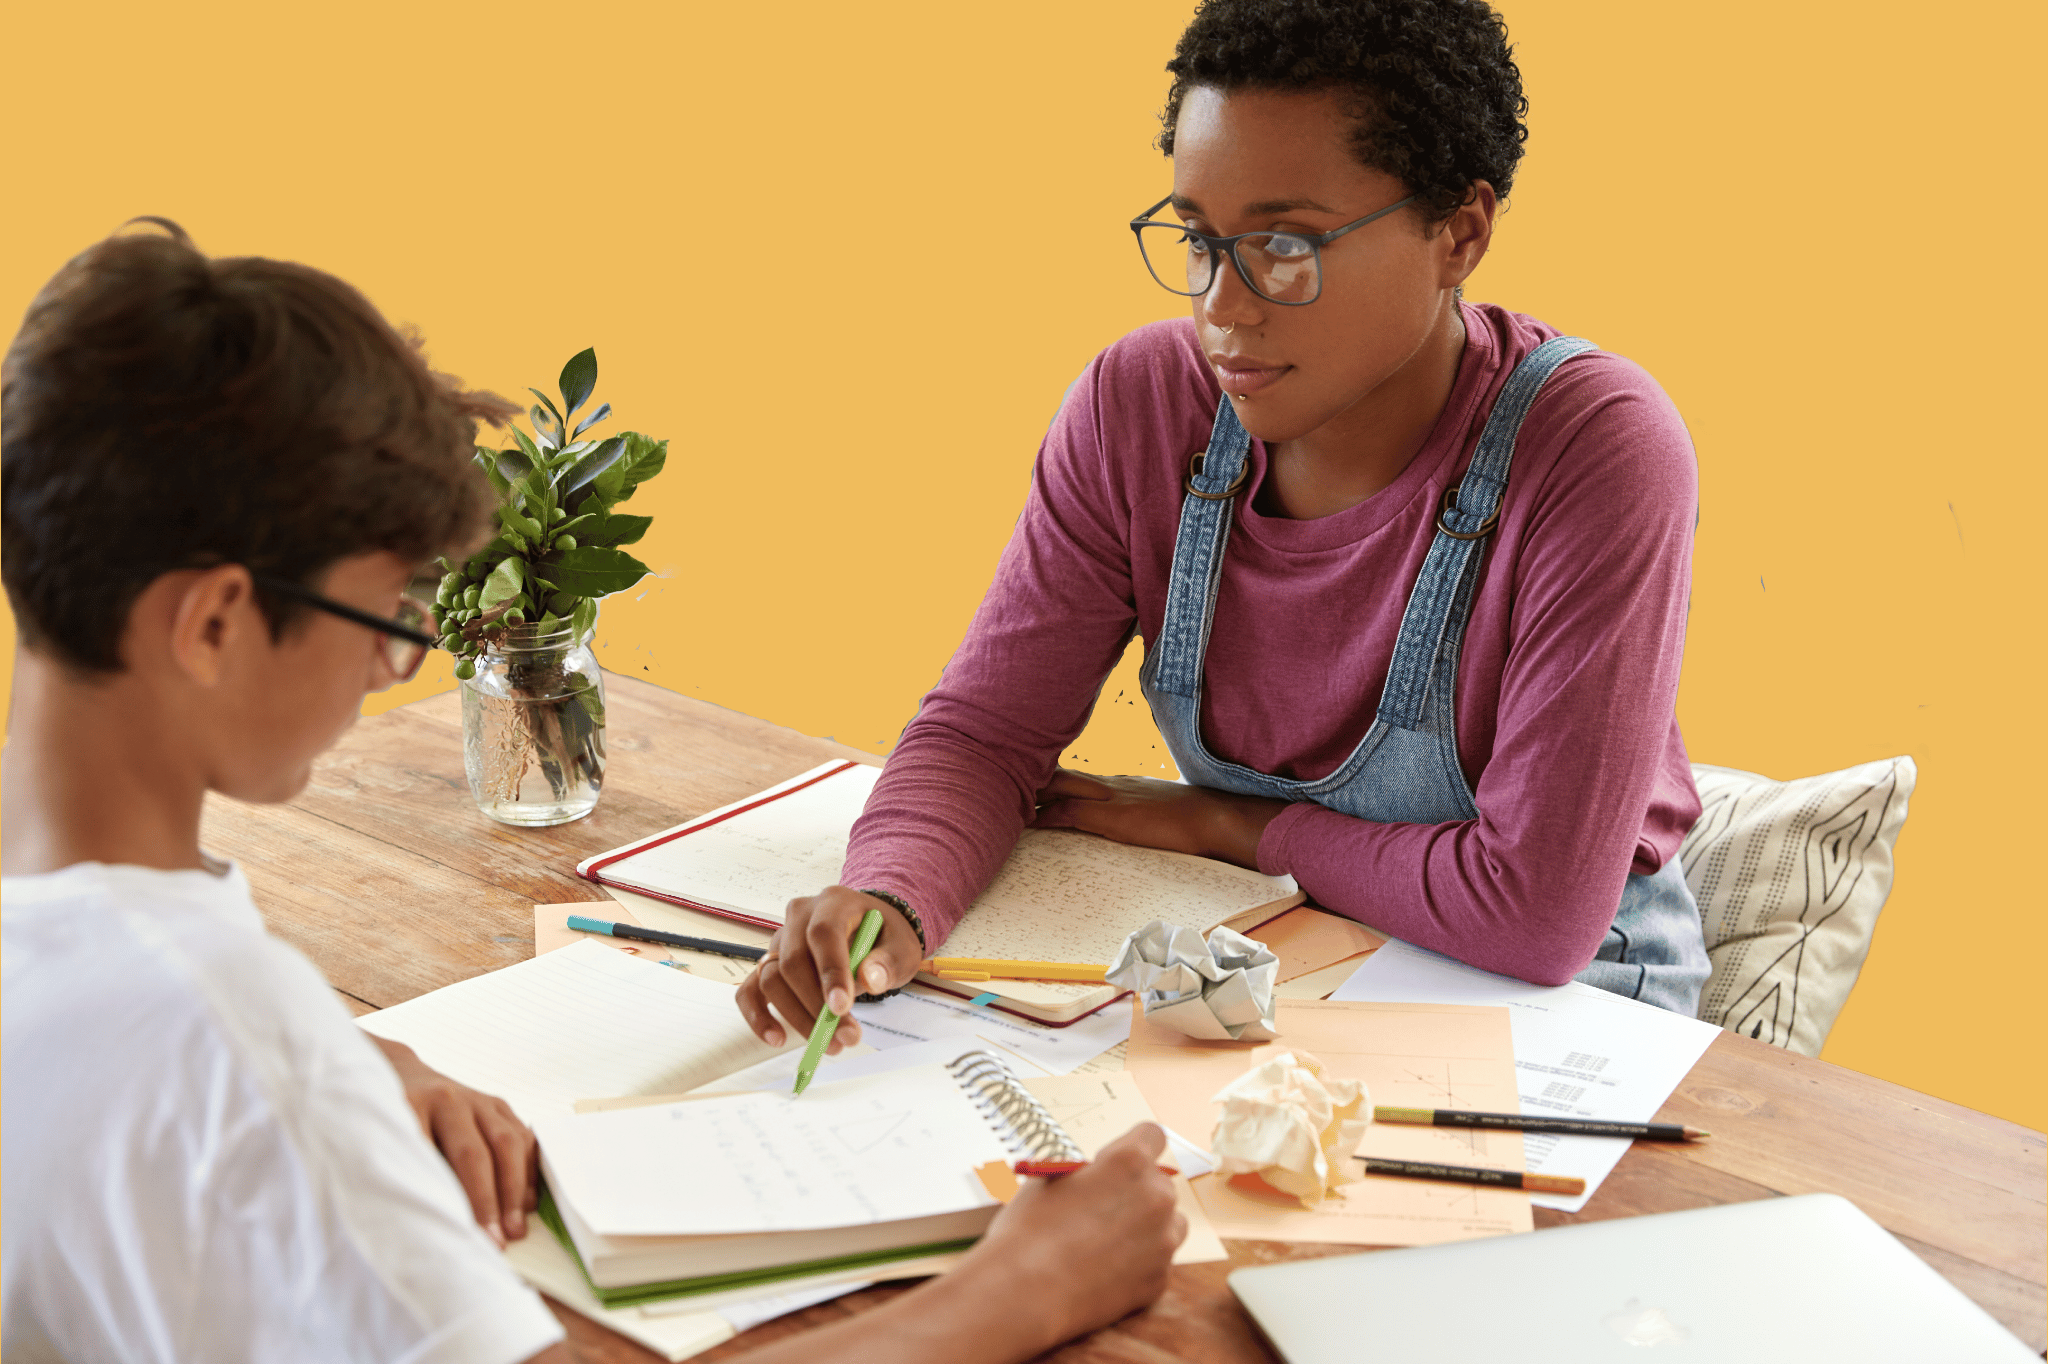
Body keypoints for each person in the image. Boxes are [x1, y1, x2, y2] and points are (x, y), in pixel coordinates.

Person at [0, 222, 1183, 1363]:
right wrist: (1022, 1290)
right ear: (212, 622)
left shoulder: (127, 962)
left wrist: (343, 1058)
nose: (394, 664)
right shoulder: (237, 1046)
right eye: (387, 618)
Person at [738, 0, 1711, 1058]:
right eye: (1199, 239)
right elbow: (984, 733)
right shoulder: (1141, 406)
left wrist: (1228, 826)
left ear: (1458, 234)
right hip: (1282, 951)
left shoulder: (1593, 447)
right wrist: (887, 897)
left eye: (1283, 246)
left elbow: (1530, 913)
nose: (1221, 306)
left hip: (1571, 1003)